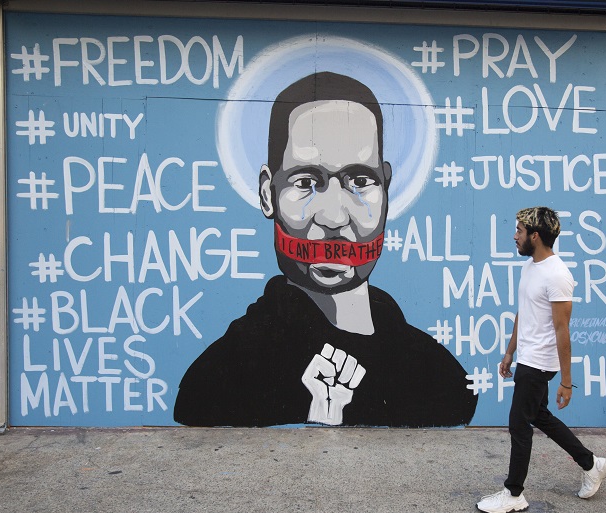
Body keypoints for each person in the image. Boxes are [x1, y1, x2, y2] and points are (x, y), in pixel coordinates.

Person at [173, 72, 477, 427]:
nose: (334, 217)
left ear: (386, 189)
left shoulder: (440, 377)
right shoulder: (217, 382)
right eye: (305, 182)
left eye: (360, 181)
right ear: (268, 194)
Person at [476, 206, 606, 513]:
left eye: (520, 231)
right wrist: (510, 351)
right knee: (539, 416)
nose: (515, 236)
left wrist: (567, 381)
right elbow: (524, 312)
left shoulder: (557, 274)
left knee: (518, 424)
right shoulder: (531, 267)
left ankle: (514, 494)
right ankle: (592, 464)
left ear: (535, 236)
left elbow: (563, 330)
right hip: (527, 356)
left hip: (539, 362)